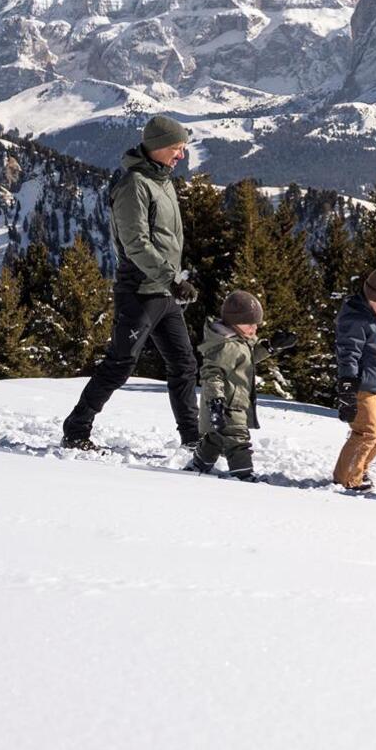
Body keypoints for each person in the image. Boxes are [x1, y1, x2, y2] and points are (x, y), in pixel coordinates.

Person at [60, 115, 200, 451]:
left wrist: (176, 279)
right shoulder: (133, 185)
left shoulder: (162, 180)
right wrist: (171, 277)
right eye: (176, 148)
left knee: (184, 364)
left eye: (182, 148)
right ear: (156, 146)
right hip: (140, 291)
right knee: (121, 363)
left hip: (164, 292)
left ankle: (193, 438)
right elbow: (135, 243)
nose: (181, 155)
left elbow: (165, 238)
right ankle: (77, 428)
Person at [185, 290, 296, 480]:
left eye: (256, 324)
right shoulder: (225, 346)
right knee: (238, 440)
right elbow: (212, 375)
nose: (254, 329)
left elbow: (246, 360)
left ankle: (198, 465)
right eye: (249, 324)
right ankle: (243, 476)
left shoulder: (238, 341)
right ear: (233, 323)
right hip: (225, 404)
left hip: (233, 402)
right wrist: (215, 402)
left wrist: (270, 346)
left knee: (216, 438)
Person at [331, 265, 376, 492]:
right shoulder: (356, 319)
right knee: (367, 433)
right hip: (361, 387)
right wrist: (347, 389)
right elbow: (348, 354)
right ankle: (346, 478)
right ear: (375, 297)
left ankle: (359, 466)